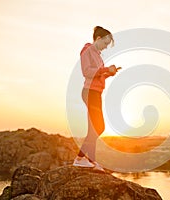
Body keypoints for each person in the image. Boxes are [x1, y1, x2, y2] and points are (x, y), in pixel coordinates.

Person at [73, 26, 119, 170]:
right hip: (90, 91)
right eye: (105, 43)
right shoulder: (87, 50)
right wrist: (105, 69)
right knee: (99, 127)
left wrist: (109, 73)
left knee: (93, 128)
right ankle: (79, 158)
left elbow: (97, 74)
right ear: (98, 39)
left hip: (96, 92)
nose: (105, 47)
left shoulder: (97, 55)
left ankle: (91, 161)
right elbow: (87, 72)